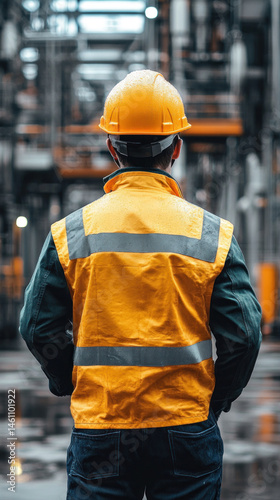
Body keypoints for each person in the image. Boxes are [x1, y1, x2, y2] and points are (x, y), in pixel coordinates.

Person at [20, 70, 262, 500]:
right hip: (185, 426)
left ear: (111, 148)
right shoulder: (212, 235)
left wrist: (71, 381)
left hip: (103, 425)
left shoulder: (71, 233)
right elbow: (243, 336)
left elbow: (36, 326)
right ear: (177, 149)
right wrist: (214, 400)